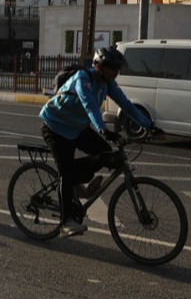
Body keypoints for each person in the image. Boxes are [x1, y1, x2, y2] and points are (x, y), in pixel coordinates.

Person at [39, 46, 159, 238]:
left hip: (77, 128)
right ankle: (66, 222)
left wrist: (149, 125)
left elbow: (126, 105)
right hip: (55, 127)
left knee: (106, 154)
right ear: (99, 67)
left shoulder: (108, 84)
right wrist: (103, 129)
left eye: (118, 69)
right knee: (66, 173)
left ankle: (77, 186)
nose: (116, 73)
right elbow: (90, 106)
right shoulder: (83, 79)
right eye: (113, 68)